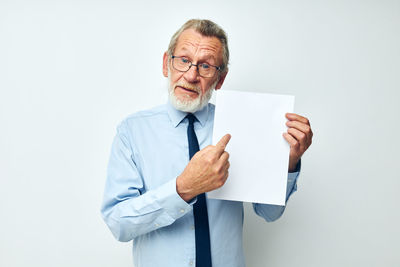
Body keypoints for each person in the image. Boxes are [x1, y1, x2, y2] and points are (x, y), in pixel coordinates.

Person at [101, 19, 313, 267]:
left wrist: (286, 163)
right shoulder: (132, 131)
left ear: (220, 79)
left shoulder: (241, 126)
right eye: (183, 60)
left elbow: (269, 213)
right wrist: (183, 188)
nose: (191, 75)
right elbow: (118, 223)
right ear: (166, 64)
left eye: (206, 66)